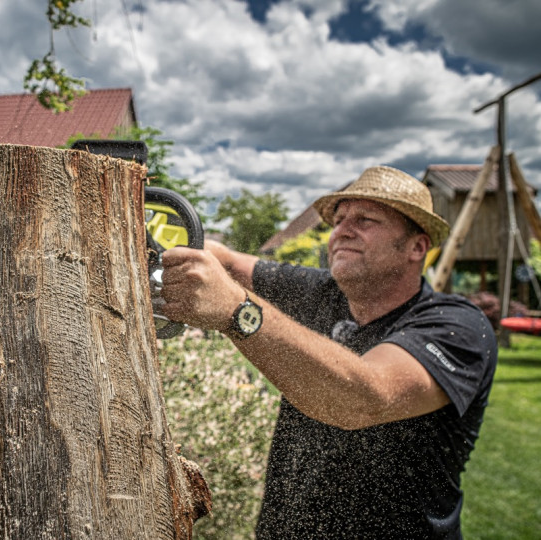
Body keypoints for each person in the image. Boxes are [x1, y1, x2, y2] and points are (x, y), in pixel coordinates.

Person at [160, 165, 497, 539]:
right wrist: (155, 241)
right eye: (339, 220)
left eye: (366, 219)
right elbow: (227, 261)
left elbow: (363, 398)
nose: (343, 231)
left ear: (417, 247)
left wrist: (239, 313)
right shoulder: (323, 294)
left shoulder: (456, 327)